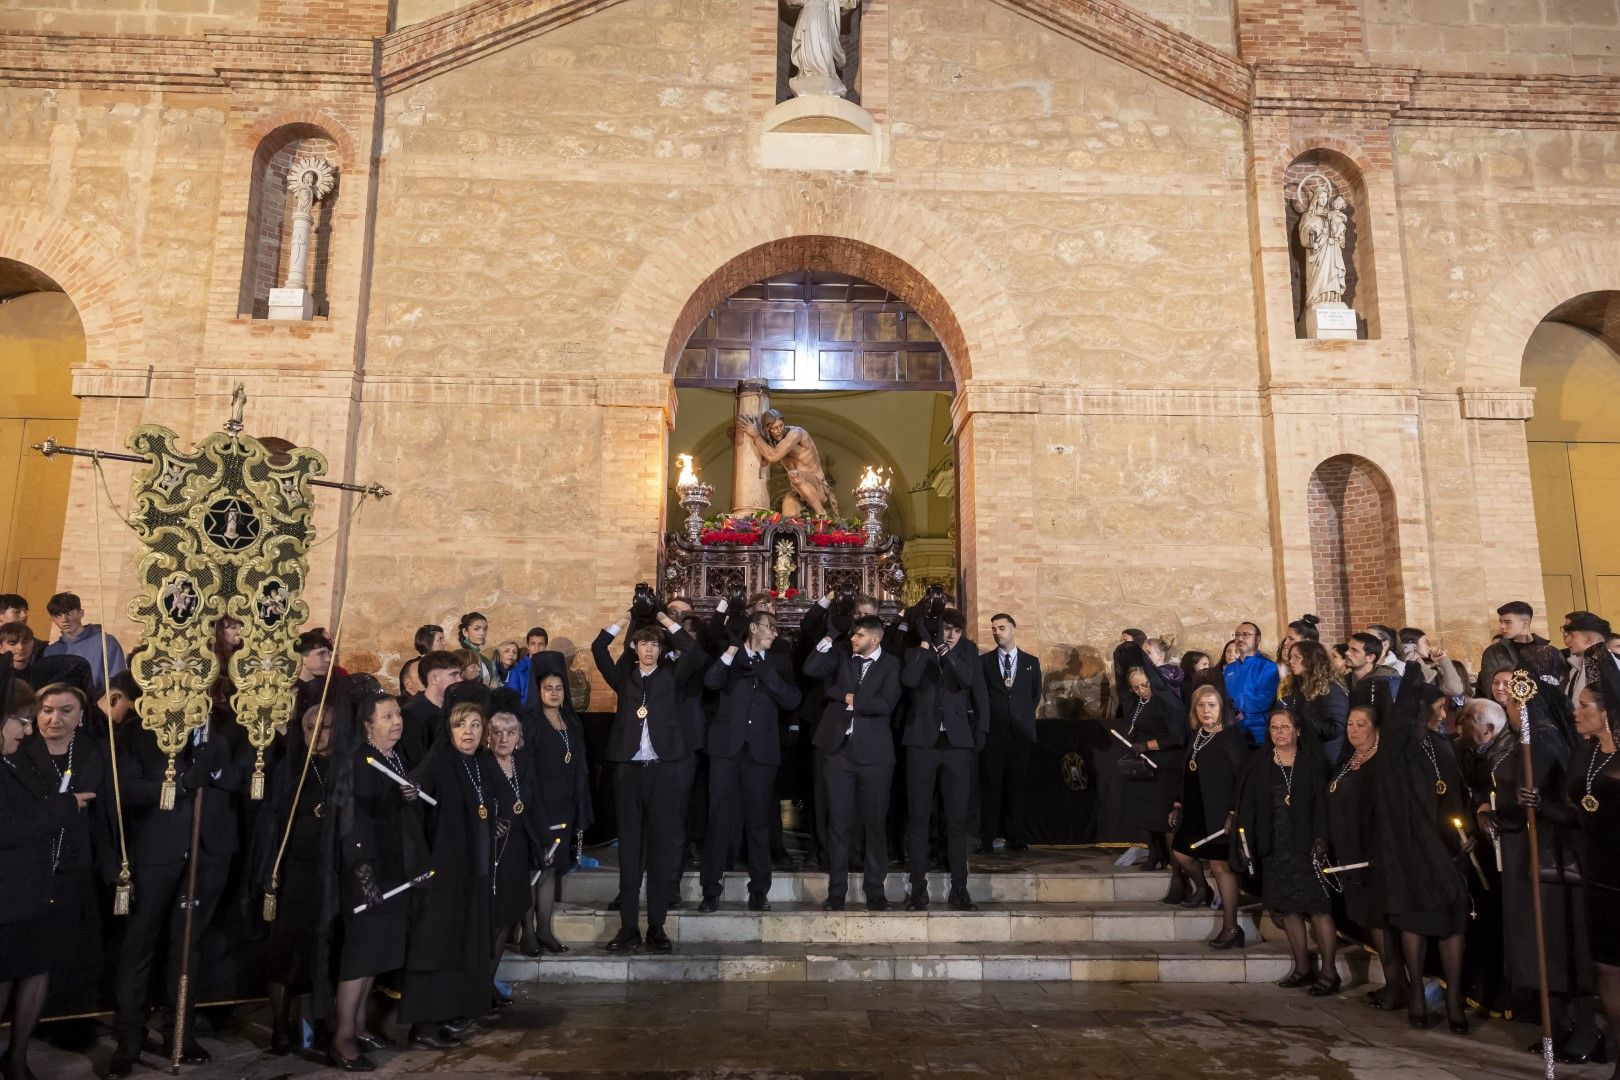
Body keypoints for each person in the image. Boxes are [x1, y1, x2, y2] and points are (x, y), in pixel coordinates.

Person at [109, 700, 250, 1076]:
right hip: (159, 848)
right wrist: (183, 782)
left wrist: (214, 769)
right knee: (140, 943)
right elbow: (127, 787)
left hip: (211, 849)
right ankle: (129, 1037)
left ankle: (181, 1033)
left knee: (190, 944)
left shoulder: (230, 723)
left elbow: (250, 778)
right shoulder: (140, 728)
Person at [1480, 651, 1597, 1062]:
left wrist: (1509, 807)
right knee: (1539, 944)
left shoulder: (1542, 737)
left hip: (1547, 856)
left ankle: (1583, 1029)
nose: (1508, 708)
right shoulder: (1526, 738)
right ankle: (1560, 1023)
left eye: (1512, 702)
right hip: (1523, 852)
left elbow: (1552, 799)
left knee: (1557, 944)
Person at [591, 602, 701, 952]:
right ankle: (627, 928)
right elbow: (598, 648)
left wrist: (663, 619)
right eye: (643, 644)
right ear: (635, 649)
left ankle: (656, 925)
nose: (650, 649)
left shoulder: (672, 676)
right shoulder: (623, 679)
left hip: (663, 769)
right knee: (630, 851)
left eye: (654, 644)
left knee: (660, 849)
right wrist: (627, 617)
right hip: (628, 769)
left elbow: (692, 649)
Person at [0, 683, 96, 1080]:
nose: (27, 731)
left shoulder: (13, 759)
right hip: (7, 893)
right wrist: (65, 805)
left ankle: (17, 1057)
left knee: (37, 968)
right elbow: (8, 828)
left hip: (35, 888)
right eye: (21, 721)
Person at [1373, 663, 1474, 1033]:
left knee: (1452, 922)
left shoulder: (1443, 745)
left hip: (1448, 847)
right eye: (1439, 709)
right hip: (1412, 849)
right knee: (1414, 919)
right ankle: (1416, 992)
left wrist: (1466, 830)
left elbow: (1458, 794)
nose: (1445, 714)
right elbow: (1393, 803)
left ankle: (1453, 999)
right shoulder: (1397, 750)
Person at [327, 691, 425, 1070]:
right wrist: (364, 874)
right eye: (387, 716)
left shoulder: (393, 757)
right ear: (367, 724)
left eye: (397, 714)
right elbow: (353, 820)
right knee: (359, 956)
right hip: (366, 870)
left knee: (376, 955)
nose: (397, 721)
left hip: (392, 866)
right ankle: (341, 1037)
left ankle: (360, 1024)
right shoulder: (358, 761)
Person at [400, 702, 497, 1050]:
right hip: (443, 871)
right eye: (461, 726)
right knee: (435, 945)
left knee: (458, 944)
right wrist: (410, 791)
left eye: (475, 724)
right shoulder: (439, 762)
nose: (469, 732)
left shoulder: (477, 764)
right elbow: (413, 793)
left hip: (471, 870)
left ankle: (446, 1014)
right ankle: (423, 1025)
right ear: (449, 730)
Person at [699, 610, 801, 913]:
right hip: (727, 752)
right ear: (754, 628)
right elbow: (711, 681)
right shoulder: (729, 657)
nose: (775, 634)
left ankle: (759, 890)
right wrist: (731, 650)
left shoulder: (778, 662)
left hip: (761, 753)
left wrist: (767, 673)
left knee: (759, 823)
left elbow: (792, 700)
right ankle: (710, 890)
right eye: (770, 628)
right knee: (719, 821)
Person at [1232, 708, 1338, 995]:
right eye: (1274, 727)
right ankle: (1302, 968)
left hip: (1307, 847)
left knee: (1318, 909)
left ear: (1298, 731)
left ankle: (1329, 972)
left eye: (1285, 727)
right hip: (1275, 846)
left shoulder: (1313, 763)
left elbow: (1322, 807)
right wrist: (1248, 844)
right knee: (1288, 909)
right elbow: (1249, 807)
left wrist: (1321, 839)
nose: (1279, 732)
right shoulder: (1260, 763)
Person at [22, 684, 111, 1019]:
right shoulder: (21, 750)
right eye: (46, 710)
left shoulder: (95, 751)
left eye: (65, 710)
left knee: (72, 947)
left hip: (76, 864)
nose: (54, 719)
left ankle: (68, 1018)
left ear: (82, 715)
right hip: (29, 868)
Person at [804, 613, 902, 911]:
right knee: (839, 824)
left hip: (875, 757)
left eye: (859, 635)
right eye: (852, 635)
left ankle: (875, 890)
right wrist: (829, 636)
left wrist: (848, 698)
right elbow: (811, 669)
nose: (853, 639)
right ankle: (836, 892)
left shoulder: (892, 665)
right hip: (838, 752)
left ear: (875, 638)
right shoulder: (843, 655)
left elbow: (885, 704)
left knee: (874, 824)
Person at [254, 704, 336, 1057]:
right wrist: (269, 873)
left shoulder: (341, 768)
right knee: (284, 952)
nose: (315, 734)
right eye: (308, 727)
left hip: (329, 874)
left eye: (325, 727)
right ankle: (279, 1026)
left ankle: (322, 1025)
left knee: (325, 952)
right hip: (293, 875)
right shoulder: (290, 770)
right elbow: (270, 825)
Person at [899, 608, 988, 912]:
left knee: (956, 819)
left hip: (956, 744)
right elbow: (909, 681)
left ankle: (959, 889)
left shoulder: (967, 654)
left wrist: (948, 654)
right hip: (921, 743)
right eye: (946, 629)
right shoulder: (915, 651)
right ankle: (918, 889)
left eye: (956, 630)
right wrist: (926, 647)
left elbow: (968, 683)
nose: (950, 635)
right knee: (919, 818)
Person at [1559, 655, 1620, 1080]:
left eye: (1585, 707)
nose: (1576, 712)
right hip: (1597, 874)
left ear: (1608, 713)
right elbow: (1579, 810)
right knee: (1606, 969)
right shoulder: (1586, 753)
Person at [1168, 685, 1250, 948]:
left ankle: (1231, 928)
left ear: (1221, 708)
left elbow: (1242, 779)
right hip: (1194, 809)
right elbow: (1186, 773)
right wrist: (1178, 804)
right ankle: (1202, 888)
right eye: (1201, 705)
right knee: (1180, 852)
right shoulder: (1197, 735)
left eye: (1212, 705)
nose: (1206, 710)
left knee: (1220, 867)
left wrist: (1233, 814)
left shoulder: (1230, 737)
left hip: (1219, 813)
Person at [520, 670, 591, 955]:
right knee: (532, 871)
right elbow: (525, 767)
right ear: (538, 691)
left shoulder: (570, 721)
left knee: (549, 871)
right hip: (538, 805)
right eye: (548, 688)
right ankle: (527, 934)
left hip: (564, 804)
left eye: (559, 688)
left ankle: (545, 930)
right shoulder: (531, 722)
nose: (554, 693)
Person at [1324, 704, 1391, 989]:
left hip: (1371, 857)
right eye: (1350, 724)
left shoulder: (1381, 764)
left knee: (1380, 922)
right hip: (1349, 854)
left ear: (1376, 728)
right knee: (1368, 920)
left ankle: (1396, 984)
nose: (1353, 730)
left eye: (1361, 724)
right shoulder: (1349, 760)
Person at [1111, 651, 1186, 893]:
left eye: (1144, 685)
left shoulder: (1165, 702)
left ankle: (1178, 870)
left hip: (1164, 766)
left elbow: (1176, 736)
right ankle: (1154, 854)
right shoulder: (1137, 703)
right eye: (1136, 687)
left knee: (1162, 818)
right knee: (1144, 815)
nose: (1142, 690)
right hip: (1144, 767)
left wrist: (1147, 745)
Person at [486, 694, 542, 1006]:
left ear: (519, 735)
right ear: (488, 735)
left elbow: (534, 802)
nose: (504, 738)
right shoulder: (482, 764)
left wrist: (543, 840)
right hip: (495, 852)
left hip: (519, 848)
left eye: (510, 732)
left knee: (507, 920)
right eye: (497, 732)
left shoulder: (522, 762)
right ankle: (480, 986)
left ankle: (489, 983)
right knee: (493, 922)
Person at [979, 613, 1040, 855]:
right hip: (994, 733)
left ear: (1013, 628)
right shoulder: (984, 662)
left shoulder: (1030, 662)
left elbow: (1034, 695)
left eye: (1002, 627)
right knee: (991, 786)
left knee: (1017, 786)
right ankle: (987, 837)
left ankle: (1015, 836)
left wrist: (1020, 717)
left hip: (1020, 735)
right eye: (993, 629)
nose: (997, 632)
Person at [1281, 640, 1350, 764]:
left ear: (1311, 659)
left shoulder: (1330, 688)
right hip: (1308, 753)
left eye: (1297, 657)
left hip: (1327, 758)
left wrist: (1298, 721)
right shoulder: (1299, 685)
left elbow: (1336, 729)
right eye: (1291, 657)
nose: (1290, 661)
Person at [42, 592, 127, 691]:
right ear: (53, 619)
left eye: (69, 613)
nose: (64, 620)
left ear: (81, 613)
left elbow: (118, 683)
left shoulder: (106, 642)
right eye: (57, 616)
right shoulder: (50, 652)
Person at [400, 650, 461, 766]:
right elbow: (415, 759)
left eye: (459, 674)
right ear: (435, 679)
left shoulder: (455, 707)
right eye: (454, 675)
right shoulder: (411, 713)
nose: (460, 680)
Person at [1223, 622, 1279, 744]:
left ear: (1258, 639)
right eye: (1237, 635)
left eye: (1246, 634)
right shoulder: (1229, 669)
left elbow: (1263, 701)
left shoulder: (1268, 667)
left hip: (1258, 732)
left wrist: (1233, 707)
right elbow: (1223, 696)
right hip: (1231, 731)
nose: (1240, 638)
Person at [1478, 600, 1547, 696]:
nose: (1502, 626)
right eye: (1501, 622)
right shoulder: (1493, 652)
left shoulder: (1547, 650)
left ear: (1525, 624)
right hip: (1507, 709)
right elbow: (1492, 692)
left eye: (1507, 622)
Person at [1562, 611, 1617, 711]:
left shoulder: (1606, 666)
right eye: (1565, 634)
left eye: (1571, 634)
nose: (1565, 640)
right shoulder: (1576, 667)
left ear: (1589, 639)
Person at [457, 612, 500, 688]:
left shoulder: (485, 659)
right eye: (477, 629)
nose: (482, 633)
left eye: (485, 629)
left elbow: (496, 683)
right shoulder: (460, 657)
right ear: (465, 632)